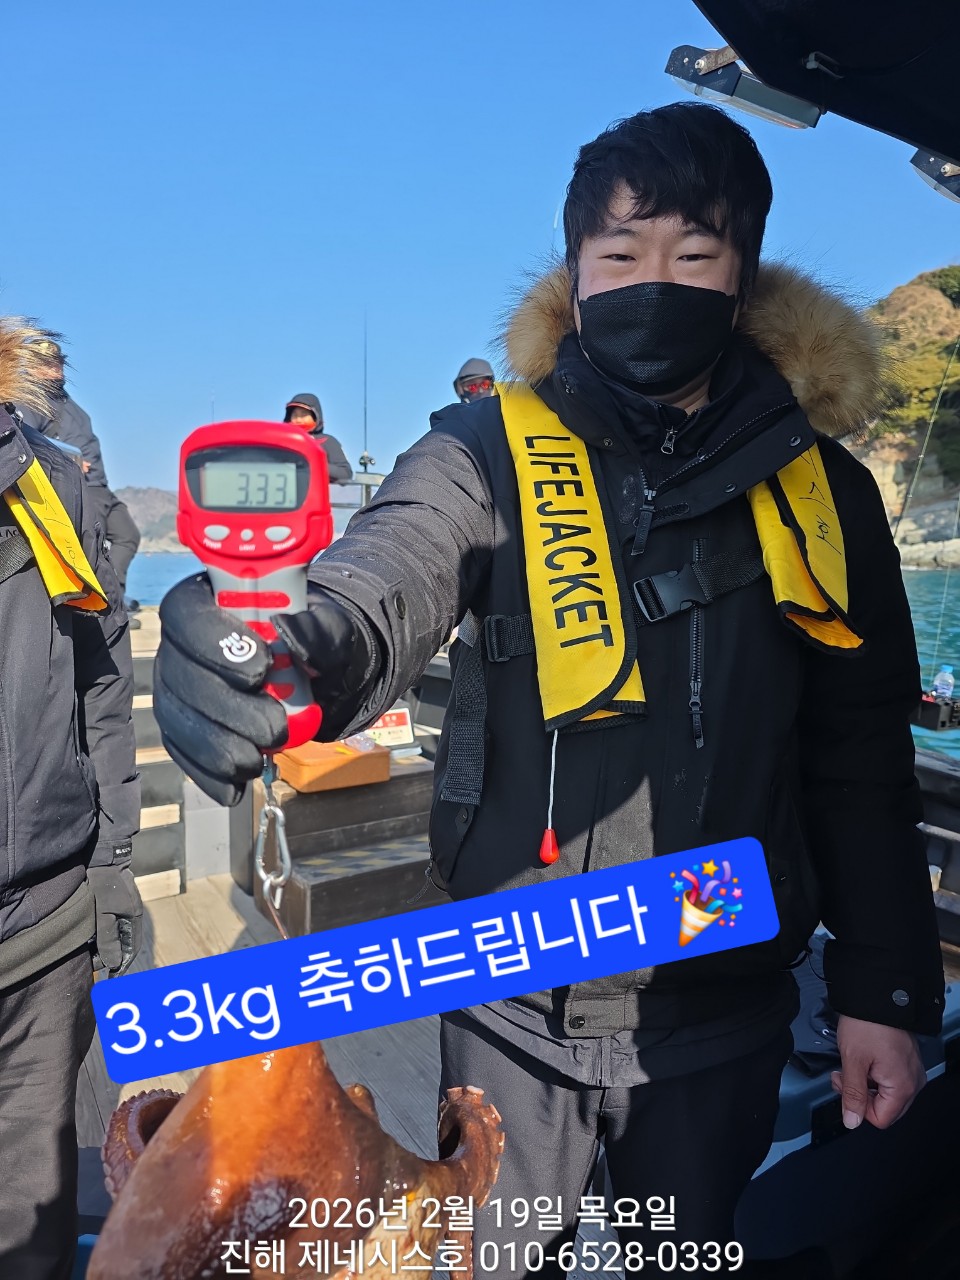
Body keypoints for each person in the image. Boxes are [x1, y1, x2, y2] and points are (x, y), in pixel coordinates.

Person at [154, 103, 944, 1275]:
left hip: (720, 1006)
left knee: (687, 1258)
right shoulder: (481, 447)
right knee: (498, 1257)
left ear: (745, 277)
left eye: (695, 254)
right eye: (620, 255)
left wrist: (886, 985)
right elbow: (389, 571)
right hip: (507, 1001)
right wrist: (295, 658)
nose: (654, 283)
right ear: (575, 275)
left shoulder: (824, 489)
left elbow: (861, 754)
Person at [0, 324, 141, 1279]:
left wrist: (115, 863)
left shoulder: (55, 483)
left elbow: (103, 680)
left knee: (34, 1226)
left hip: (43, 931)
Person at [15, 340, 142, 599]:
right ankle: (97, 603)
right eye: (46, 364)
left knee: (127, 536)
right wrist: (67, 459)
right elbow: (26, 441)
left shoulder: (66, 401)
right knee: (93, 549)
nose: (54, 368)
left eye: (57, 362)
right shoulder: (31, 402)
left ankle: (115, 596)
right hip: (80, 487)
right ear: (32, 367)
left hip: (101, 485)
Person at [283, 392, 354, 483]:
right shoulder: (283, 442)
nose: (298, 419)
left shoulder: (328, 441)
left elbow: (345, 473)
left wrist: (312, 464)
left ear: (315, 416)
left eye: (303, 414)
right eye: (295, 415)